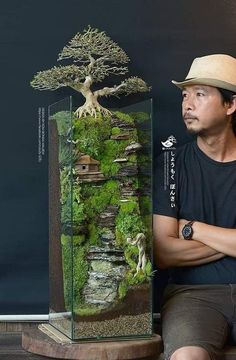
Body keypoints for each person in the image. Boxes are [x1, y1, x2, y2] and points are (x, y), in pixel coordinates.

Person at [153, 54, 236, 360]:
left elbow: (176, 240)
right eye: (185, 95)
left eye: (200, 95)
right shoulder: (171, 165)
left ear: (230, 105)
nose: (187, 105)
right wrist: (230, 240)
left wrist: (192, 229)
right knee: (187, 356)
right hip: (193, 297)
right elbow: (163, 253)